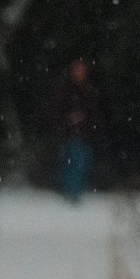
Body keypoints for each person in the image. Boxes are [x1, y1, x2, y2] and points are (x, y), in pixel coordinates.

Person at [52, 58, 97, 203]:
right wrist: (69, 120)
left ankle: (77, 191)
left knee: (82, 161)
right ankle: (71, 192)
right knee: (73, 161)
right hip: (70, 133)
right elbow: (58, 111)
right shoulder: (66, 89)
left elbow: (92, 111)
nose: (80, 73)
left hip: (84, 133)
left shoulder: (87, 89)